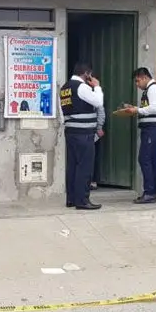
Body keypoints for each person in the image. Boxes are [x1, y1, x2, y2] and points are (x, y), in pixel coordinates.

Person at [60, 62, 104, 210]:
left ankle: (71, 199)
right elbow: (98, 102)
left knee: (73, 166)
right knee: (85, 167)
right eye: (89, 75)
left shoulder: (65, 88)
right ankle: (82, 200)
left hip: (71, 132)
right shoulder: (82, 87)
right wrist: (97, 86)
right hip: (84, 133)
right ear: (87, 74)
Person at [121, 67, 156, 203]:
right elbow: (148, 108)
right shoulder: (148, 90)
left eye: (137, 81)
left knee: (145, 159)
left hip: (153, 129)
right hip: (150, 129)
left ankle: (150, 192)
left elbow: (154, 108)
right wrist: (134, 108)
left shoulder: (153, 88)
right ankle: (152, 192)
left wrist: (137, 110)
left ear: (145, 77)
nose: (137, 84)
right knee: (151, 160)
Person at [90, 76, 106, 191]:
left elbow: (101, 110)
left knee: (93, 157)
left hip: (93, 132)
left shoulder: (95, 95)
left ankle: (93, 180)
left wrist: (99, 127)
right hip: (83, 130)